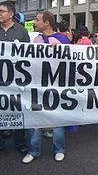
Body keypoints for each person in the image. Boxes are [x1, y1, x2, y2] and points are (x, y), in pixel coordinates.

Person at [22, 11, 70, 164]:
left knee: (57, 120)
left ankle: (59, 149)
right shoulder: (36, 39)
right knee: (35, 118)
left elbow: (72, 61)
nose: (34, 22)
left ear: (47, 22)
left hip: (56, 86)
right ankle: (33, 150)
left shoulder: (62, 38)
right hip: (37, 85)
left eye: (37, 20)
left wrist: (61, 48)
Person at [0, 2, 29, 156]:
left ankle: (20, 143)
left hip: (17, 80)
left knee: (17, 109)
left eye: (2, 11)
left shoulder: (22, 32)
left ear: (11, 14)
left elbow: (30, 55)